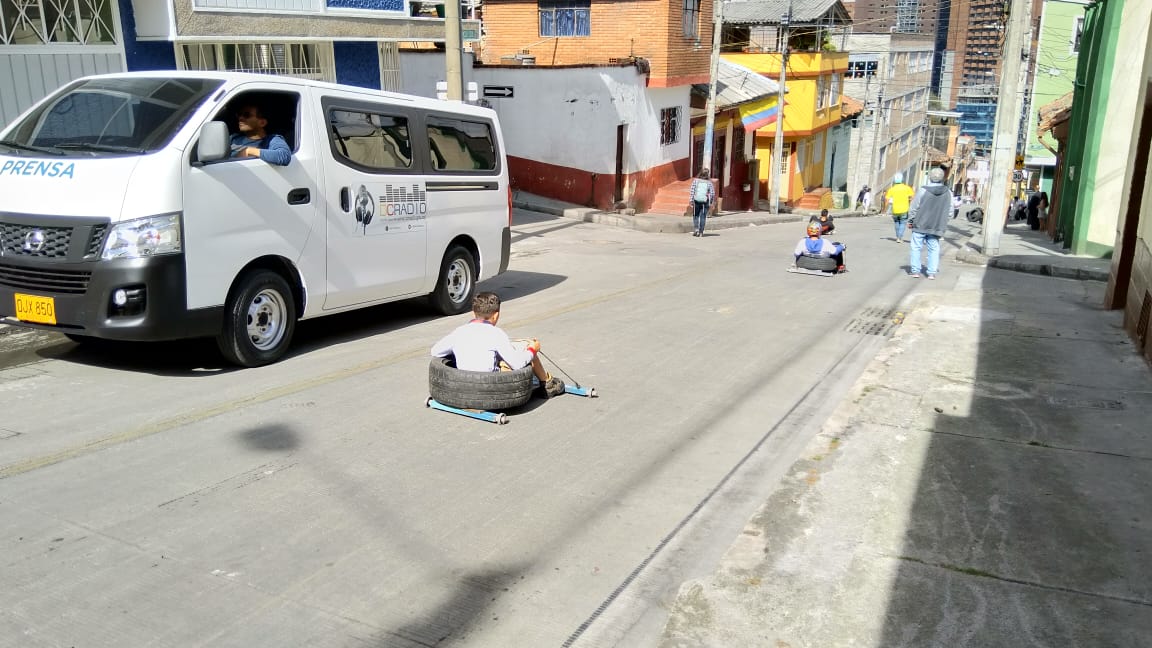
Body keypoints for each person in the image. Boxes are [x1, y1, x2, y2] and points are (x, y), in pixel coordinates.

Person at [431, 291, 565, 398]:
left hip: (464, 384)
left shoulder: (459, 332)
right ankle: (547, 384)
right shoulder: (496, 334)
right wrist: (532, 350)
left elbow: (435, 351)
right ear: (496, 316)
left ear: (474, 312)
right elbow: (517, 363)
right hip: (491, 386)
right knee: (527, 346)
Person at [907, 167, 954, 279]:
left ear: (930, 177)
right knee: (933, 248)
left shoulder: (923, 190)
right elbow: (950, 211)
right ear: (942, 178)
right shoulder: (948, 192)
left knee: (916, 247)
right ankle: (931, 273)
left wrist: (911, 220)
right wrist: (944, 221)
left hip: (920, 224)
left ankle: (915, 271)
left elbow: (914, 207)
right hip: (936, 225)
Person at [883, 172, 916, 243]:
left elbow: (887, 200)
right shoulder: (907, 188)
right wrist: (909, 201)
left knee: (896, 223)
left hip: (895, 210)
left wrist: (884, 209)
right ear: (902, 179)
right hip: (904, 209)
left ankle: (898, 236)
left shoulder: (891, 189)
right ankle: (899, 238)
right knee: (903, 223)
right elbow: (913, 197)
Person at [688, 168, 715, 237]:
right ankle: (701, 232)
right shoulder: (709, 183)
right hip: (705, 202)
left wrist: (691, 200)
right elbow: (712, 193)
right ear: (707, 174)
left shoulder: (695, 181)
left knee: (695, 215)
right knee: (703, 217)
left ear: (700, 173)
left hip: (696, 201)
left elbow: (692, 191)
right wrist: (711, 202)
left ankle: (696, 229)